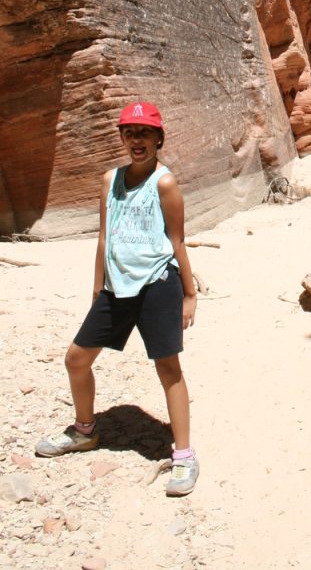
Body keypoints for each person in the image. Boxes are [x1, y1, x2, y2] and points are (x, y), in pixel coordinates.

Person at [36, 101, 199, 496]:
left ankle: (184, 456)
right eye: (129, 132)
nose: (136, 140)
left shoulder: (165, 183)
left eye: (144, 133)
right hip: (116, 288)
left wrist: (190, 293)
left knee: (168, 368)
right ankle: (85, 429)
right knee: (76, 358)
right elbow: (104, 237)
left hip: (158, 285)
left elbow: (176, 240)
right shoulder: (110, 180)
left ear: (159, 138)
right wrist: (97, 288)